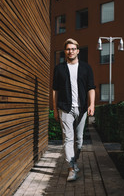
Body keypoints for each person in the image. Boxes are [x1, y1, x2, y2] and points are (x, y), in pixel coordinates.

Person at [52, 38, 96, 182]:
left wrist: (92, 104)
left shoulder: (86, 68)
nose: (70, 51)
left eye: (73, 49)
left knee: (79, 140)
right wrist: (54, 108)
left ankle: (74, 161)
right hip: (65, 108)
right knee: (68, 139)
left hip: (82, 108)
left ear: (77, 50)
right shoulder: (59, 69)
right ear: (65, 51)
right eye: (68, 49)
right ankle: (71, 168)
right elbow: (55, 90)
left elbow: (91, 88)